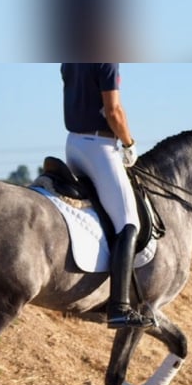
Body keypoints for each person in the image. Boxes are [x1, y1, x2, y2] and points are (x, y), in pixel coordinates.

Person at [61, 63, 154, 329]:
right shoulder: (106, 60)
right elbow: (113, 112)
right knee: (128, 222)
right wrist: (129, 143)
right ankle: (119, 307)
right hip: (100, 147)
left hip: (74, 144)